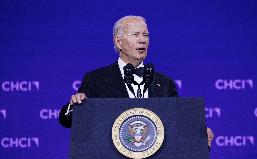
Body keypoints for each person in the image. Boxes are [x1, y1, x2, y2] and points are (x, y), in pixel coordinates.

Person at [59, 15, 214, 147]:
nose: (143, 40)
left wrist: (198, 137)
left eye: (146, 35)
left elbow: (176, 125)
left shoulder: (164, 83)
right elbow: (68, 121)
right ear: (119, 42)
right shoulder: (96, 79)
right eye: (136, 35)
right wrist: (74, 106)